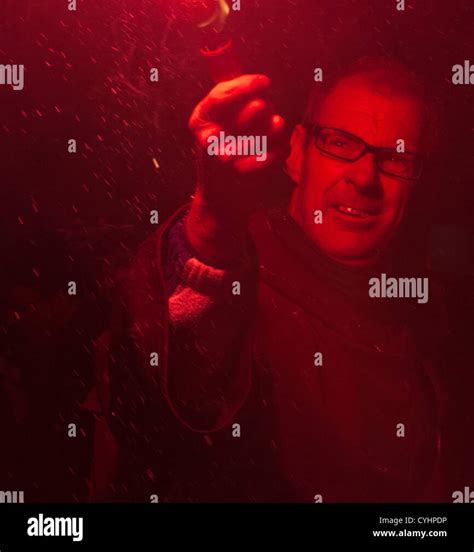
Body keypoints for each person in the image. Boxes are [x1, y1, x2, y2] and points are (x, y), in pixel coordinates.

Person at [97, 56, 467, 502]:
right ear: (296, 153)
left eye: (396, 158)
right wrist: (216, 217)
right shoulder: (238, 268)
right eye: (339, 142)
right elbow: (180, 376)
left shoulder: (430, 324)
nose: (365, 177)